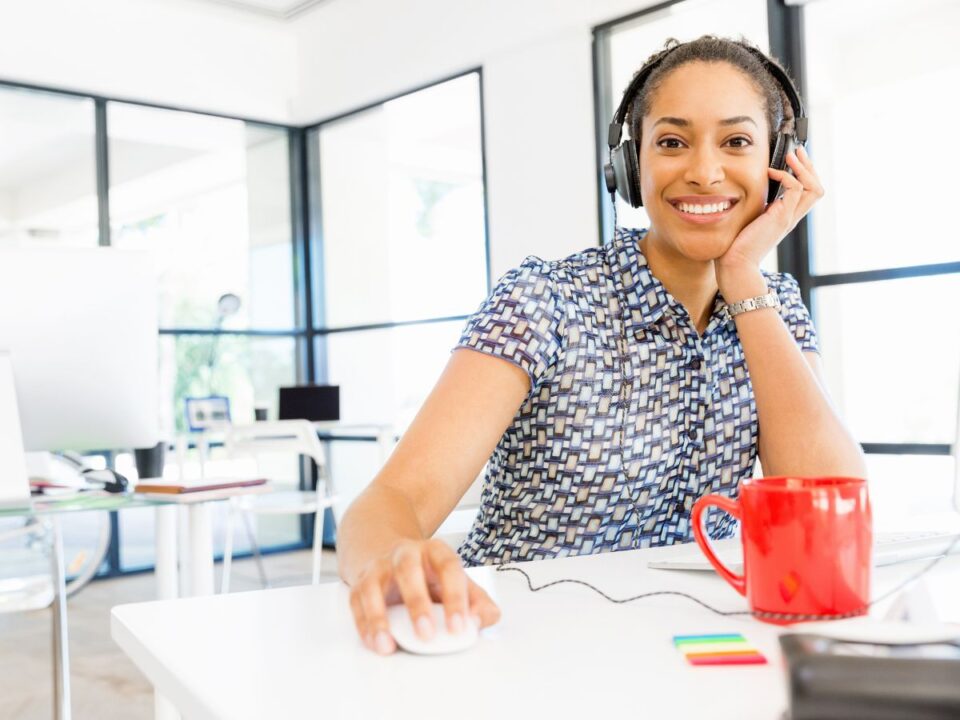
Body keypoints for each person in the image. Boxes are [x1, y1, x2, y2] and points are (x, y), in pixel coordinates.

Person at [337, 35, 867, 656]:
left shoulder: (772, 308)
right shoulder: (545, 302)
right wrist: (396, 559)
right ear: (629, 167)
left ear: (781, 163)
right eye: (671, 141)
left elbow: (831, 513)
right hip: (520, 644)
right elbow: (391, 499)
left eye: (737, 141)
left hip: (685, 644)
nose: (703, 169)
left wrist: (745, 277)